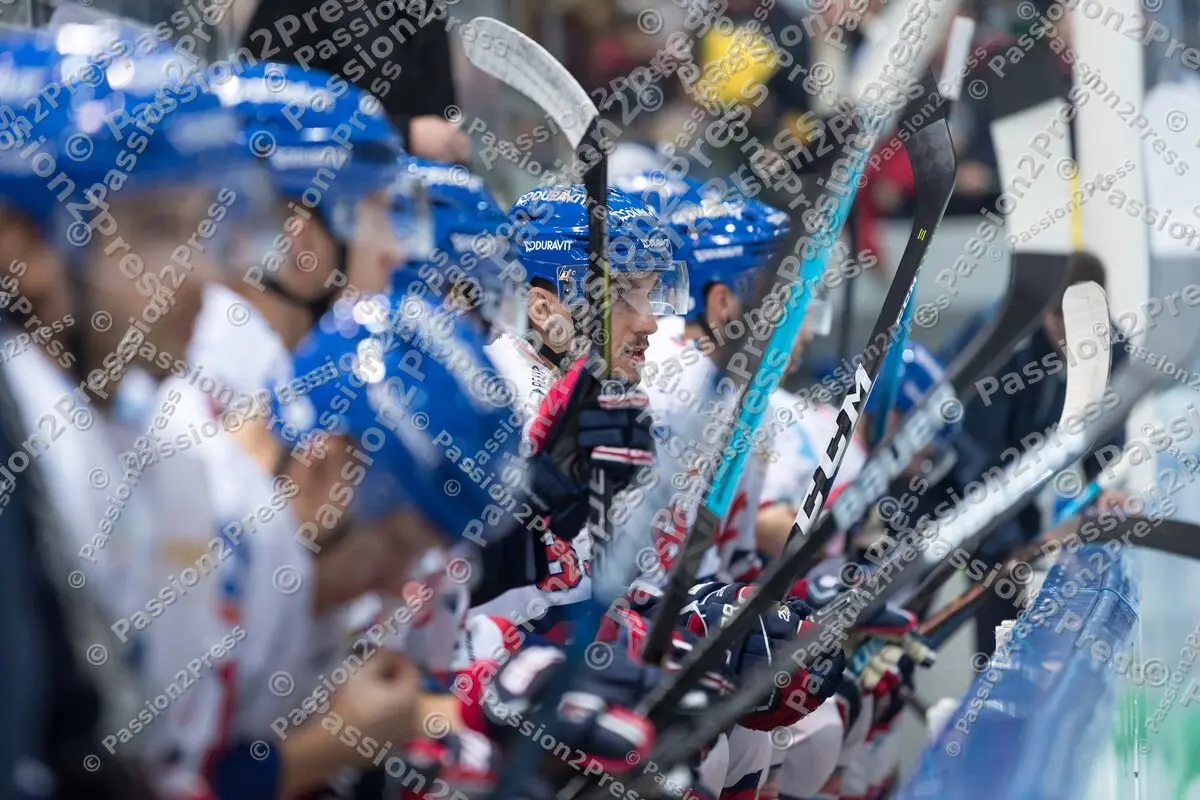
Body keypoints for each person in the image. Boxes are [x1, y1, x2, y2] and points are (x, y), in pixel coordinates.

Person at [0, 20, 269, 796]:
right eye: (157, 230)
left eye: (203, 229)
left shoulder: (153, 432)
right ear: (22, 246)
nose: (204, 276)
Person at [938, 250, 1127, 656]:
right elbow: (979, 457)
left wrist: (1102, 490)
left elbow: (1108, 434)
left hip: (1017, 472)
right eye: (1064, 329)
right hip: (948, 466)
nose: (1073, 344)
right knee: (995, 583)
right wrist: (1008, 548)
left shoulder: (1112, 345)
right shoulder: (1002, 344)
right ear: (1046, 315)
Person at [237, 0, 469, 163]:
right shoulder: (296, 9)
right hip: (325, 192)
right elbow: (261, 113)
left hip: (418, 193)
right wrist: (402, 135)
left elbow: (441, 115)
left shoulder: (425, 11)